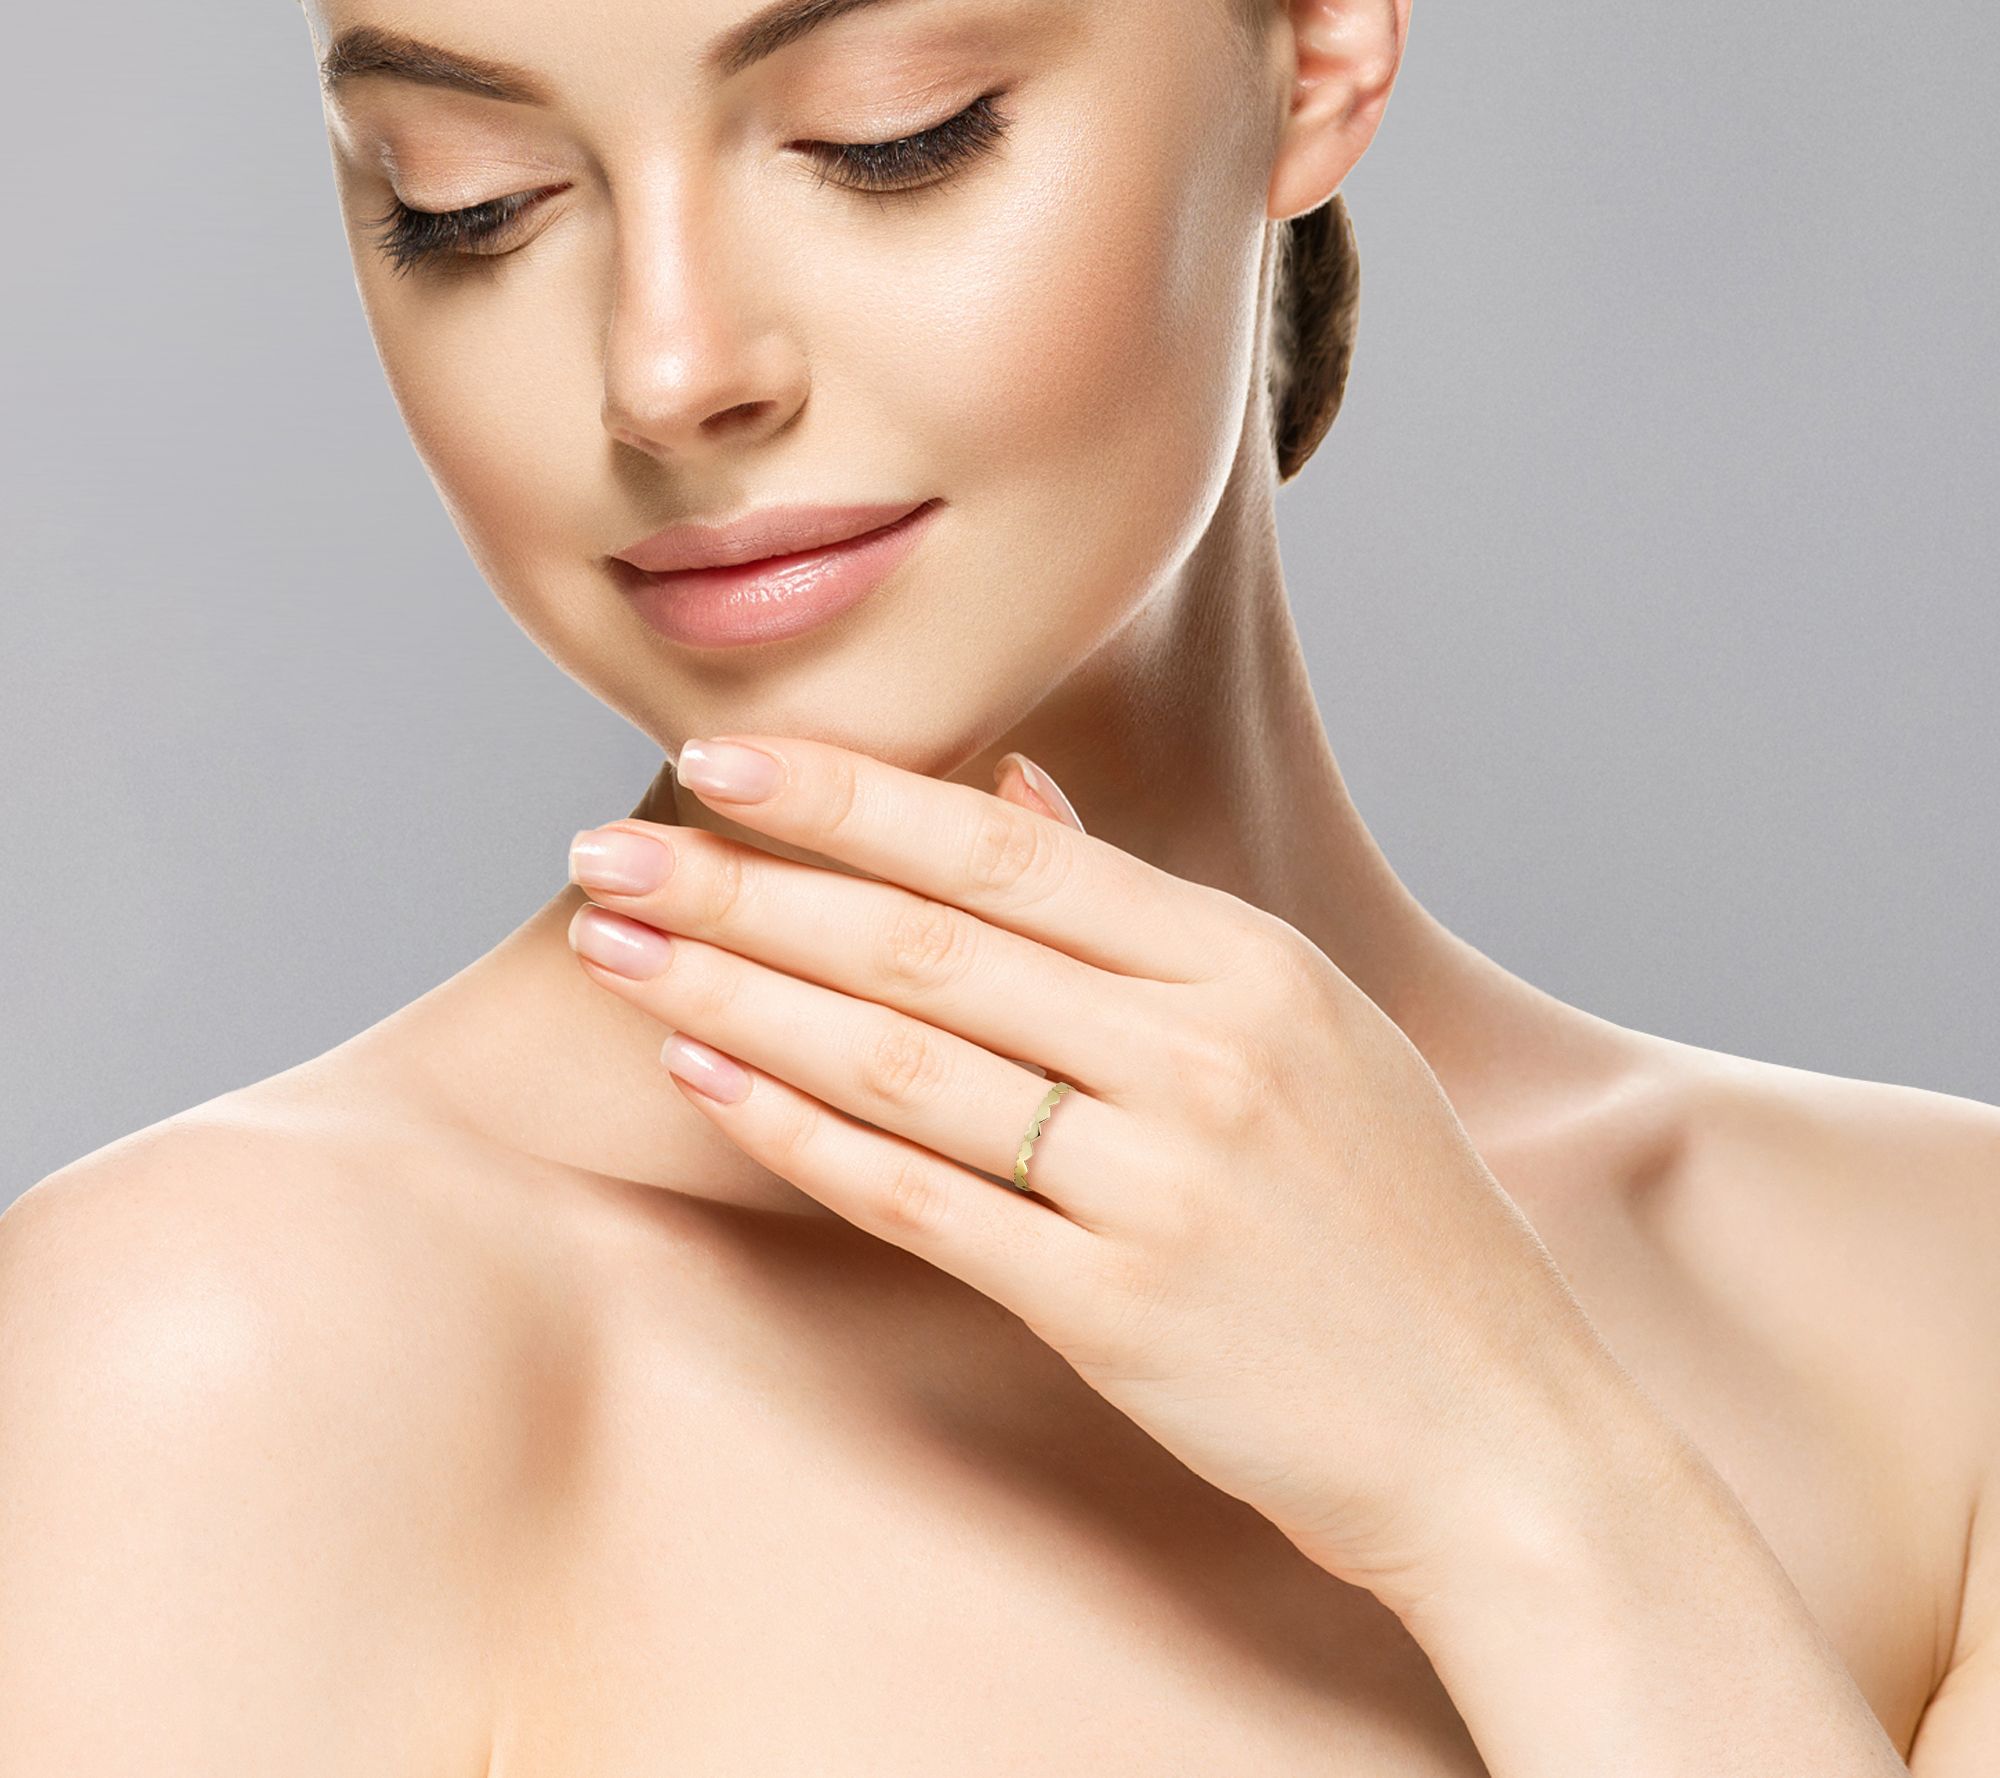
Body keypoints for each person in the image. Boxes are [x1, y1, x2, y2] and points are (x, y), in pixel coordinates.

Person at [2, 0, 1995, 1769]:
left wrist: (1527, 1489)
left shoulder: (1947, 1314)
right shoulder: (226, 1356)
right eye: (471, 202)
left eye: (890, 133)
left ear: (1317, 47)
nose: (666, 368)